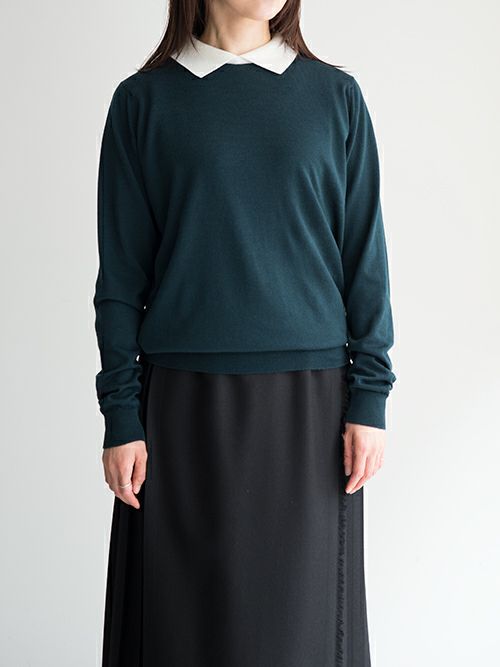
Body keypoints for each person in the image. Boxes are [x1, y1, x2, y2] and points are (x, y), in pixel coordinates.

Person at [93, 1, 396, 665]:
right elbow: (119, 279)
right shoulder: (143, 102)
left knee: (300, 632)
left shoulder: (335, 97)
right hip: (180, 407)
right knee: (184, 631)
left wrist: (370, 397)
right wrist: (121, 413)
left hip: (309, 407)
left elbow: (364, 260)